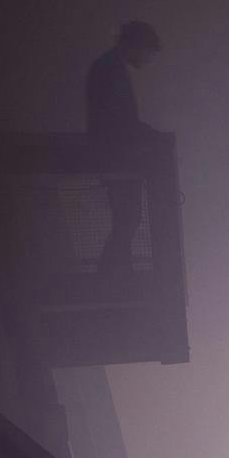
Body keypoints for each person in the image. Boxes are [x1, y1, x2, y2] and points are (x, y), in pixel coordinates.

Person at [85, 20, 162, 274]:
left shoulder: (108, 66)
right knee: (128, 219)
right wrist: (144, 135)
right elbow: (117, 119)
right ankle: (109, 275)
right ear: (138, 45)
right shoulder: (110, 69)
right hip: (116, 159)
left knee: (125, 219)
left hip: (113, 157)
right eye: (149, 52)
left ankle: (117, 274)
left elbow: (115, 117)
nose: (149, 60)